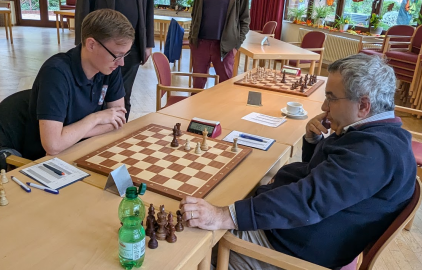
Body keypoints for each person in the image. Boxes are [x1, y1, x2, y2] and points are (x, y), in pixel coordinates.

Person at [179, 54, 416, 269]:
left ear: (364, 106)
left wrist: (222, 216)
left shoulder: (376, 152)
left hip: (288, 251)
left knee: (187, 247)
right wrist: (313, 143)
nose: (324, 107)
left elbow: (307, 200)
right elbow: (325, 178)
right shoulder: (377, 134)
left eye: (331, 99)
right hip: (297, 233)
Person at [23, 9, 134, 160]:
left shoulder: (109, 68)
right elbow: (53, 145)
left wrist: (70, 135)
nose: (121, 63)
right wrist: (96, 119)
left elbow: (119, 120)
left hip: (90, 149)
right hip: (47, 162)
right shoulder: (56, 73)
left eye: (125, 54)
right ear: (91, 44)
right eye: (117, 55)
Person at [75, 0, 155, 120]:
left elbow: (148, 5)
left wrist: (148, 43)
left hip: (134, 44)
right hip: (102, 44)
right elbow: (84, 5)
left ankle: (118, 133)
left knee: (124, 95)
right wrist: (82, 41)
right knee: (96, 97)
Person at [189, 0, 250, 89]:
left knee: (224, 86)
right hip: (200, 44)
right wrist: (192, 38)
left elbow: (245, 21)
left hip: (226, 46)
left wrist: (236, 45)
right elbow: (194, 14)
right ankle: (196, 103)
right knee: (197, 86)